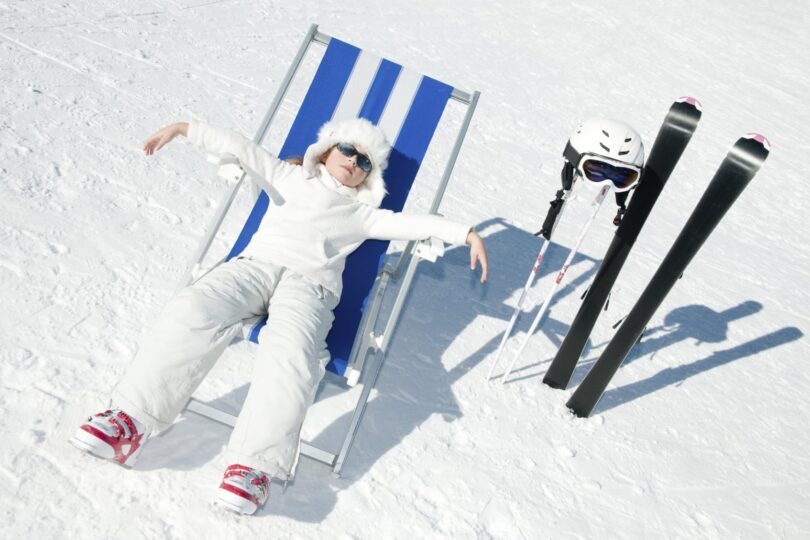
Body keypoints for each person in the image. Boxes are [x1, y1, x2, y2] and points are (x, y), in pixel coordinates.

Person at [69, 117, 489, 515]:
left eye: (365, 162)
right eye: (348, 149)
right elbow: (240, 146)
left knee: (292, 353)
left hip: (309, 288)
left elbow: (414, 224)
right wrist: (183, 128)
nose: (354, 162)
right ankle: (130, 420)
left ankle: (253, 466)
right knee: (192, 307)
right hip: (255, 267)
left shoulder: (364, 214)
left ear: (369, 176)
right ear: (326, 150)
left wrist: (465, 233)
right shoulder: (288, 175)